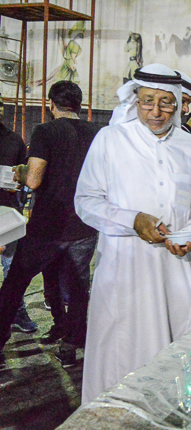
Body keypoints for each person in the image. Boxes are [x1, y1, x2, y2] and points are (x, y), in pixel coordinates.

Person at [74, 64, 191, 403]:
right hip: (124, 267)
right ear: (135, 100)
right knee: (120, 348)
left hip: (177, 268)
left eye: (165, 102)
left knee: (176, 346)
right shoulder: (110, 140)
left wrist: (190, 233)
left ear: (179, 103)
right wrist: (133, 220)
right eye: (147, 101)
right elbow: (86, 201)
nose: (156, 111)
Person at [0, 81, 100, 369]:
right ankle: (69, 344)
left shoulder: (45, 130)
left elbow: (33, 179)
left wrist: (19, 173)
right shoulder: (98, 133)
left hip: (49, 225)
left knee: (14, 284)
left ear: (51, 105)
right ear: (79, 105)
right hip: (84, 224)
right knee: (78, 288)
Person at [0, 94, 37, 334]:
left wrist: (18, 181)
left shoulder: (14, 140)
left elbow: (24, 173)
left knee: (11, 266)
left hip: (7, 213)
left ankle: (16, 312)